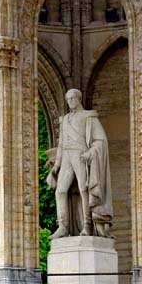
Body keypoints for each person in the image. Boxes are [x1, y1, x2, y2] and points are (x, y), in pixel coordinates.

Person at [47, 89, 113, 240]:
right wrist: (56, 166)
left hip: (80, 155)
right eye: (68, 99)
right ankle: (63, 227)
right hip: (67, 157)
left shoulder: (88, 117)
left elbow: (100, 140)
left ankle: (87, 225)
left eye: (72, 98)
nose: (70, 101)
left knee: (84, 189)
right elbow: (61, 145)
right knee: (60, 191)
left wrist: (90, 153)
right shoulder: (65, 120)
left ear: (79, 99)